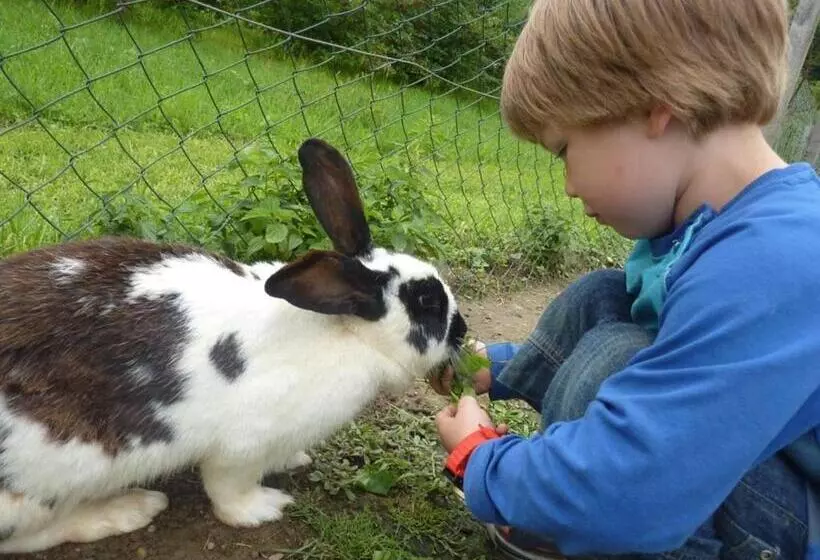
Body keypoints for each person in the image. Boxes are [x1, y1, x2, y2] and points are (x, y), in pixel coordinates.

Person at [430, 1, 820, 558]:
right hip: (753, 458)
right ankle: (554, 492)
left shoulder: (779, 260)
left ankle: (563, 519)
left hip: (796, 522)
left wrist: (479, 458)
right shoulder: (716, 228)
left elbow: (629, 491)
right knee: (604, 299)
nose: (567, 184)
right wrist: (498, 367)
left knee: (615, 359)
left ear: (654, 110)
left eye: (565, 151)